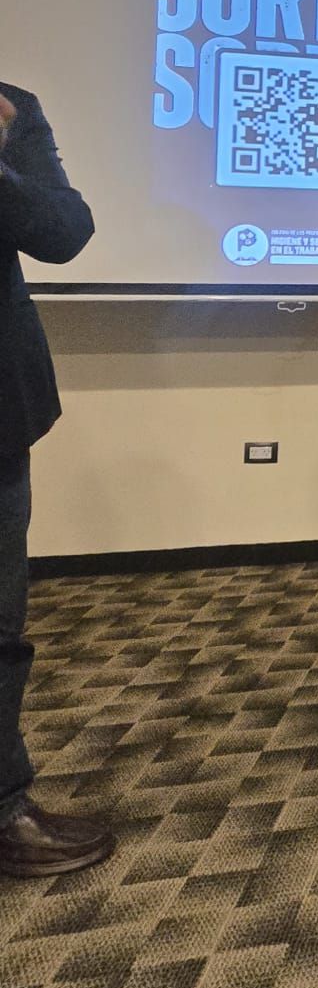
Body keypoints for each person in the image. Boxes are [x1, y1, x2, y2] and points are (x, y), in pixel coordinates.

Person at [0, 82, 114, 877]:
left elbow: (65, 231)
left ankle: (4, 807)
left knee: (0, 629)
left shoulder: (12, 109)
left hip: (0, 414)